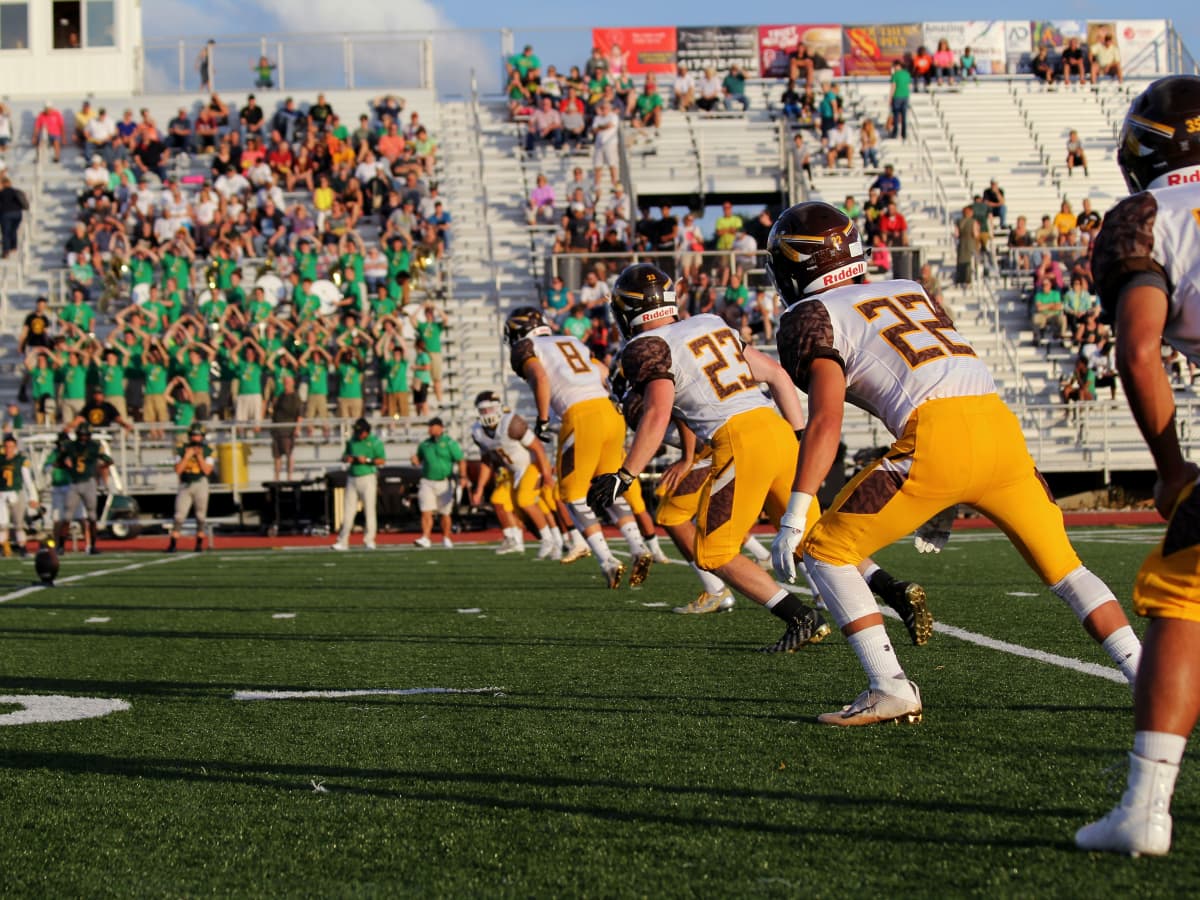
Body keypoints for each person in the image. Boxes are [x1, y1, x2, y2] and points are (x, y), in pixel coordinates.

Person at [766, 201, 1141, 727]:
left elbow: (826, 419)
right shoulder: (907, 288)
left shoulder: (812, 315)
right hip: (1000, 430)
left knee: (825, 551)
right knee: (1066, 570)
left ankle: (889, 686)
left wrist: (794, 512)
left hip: (935, 439)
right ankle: (1145, 674)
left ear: (794, 263)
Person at [1075, 75, 1200, 857]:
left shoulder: (1154, 216)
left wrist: (1170, 467)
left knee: (1182, 605)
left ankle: (1144, 810)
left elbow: (1138, 347)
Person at [505, 306, 651, 587]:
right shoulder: (570, 341)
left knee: (571, 495)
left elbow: (540, 377)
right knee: (607, 486)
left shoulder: (525, 347)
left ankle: (607, 560)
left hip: (581, 416)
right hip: (610, 413)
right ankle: (638, 547)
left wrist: (543, 418)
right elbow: (603, 372)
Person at [469, 390, 560, 559]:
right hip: (511, 470)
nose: (485, 414)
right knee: (498, 500)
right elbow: (486, 461)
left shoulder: (511, 422)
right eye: (482, 411)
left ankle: (549, 539)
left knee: (525, 500)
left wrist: (546, 474)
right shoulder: (478, 432)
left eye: (488, 409)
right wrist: (479, 489)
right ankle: (514, 540)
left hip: (530, 465)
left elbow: (538, 448)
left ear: (497, 408)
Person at [330, 418, 385, 552]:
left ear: (367, 432)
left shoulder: (375, 442)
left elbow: (381, 460)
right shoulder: (352, 441)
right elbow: (344, 456)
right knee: (348, 511)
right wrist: (347, 458)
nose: (358, 434)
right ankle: (343, 541)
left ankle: (369, 540)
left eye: (361, 432)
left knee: (369, 510)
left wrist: (366, 460)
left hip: (368, 477)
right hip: (352, 477)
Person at [412, 417, 467, 549]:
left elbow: (460, 460)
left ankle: (446, 537)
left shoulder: (449, 443)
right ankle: (426, 537)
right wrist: (414, 461)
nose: (430, 429)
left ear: (441, 428)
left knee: (445, 512)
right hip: (427, 481)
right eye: (430, 426)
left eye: (433, 426)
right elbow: (419, 460)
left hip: (444, 481)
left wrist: (463, 476)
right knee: (426, 510)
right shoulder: (424, 444)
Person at [58, 422, 112, 555]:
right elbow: (59, 461)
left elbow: (108, 460)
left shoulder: (94, 446)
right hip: (75, 482)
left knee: (92, 516)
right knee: (67, 516)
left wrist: (98, 469)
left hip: (88, 482)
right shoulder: (71, 446)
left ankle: (92, 546)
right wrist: (69, 468)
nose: (83, 437)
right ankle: (60, 546)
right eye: (81, 435)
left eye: (85, 435)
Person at [166, 423, 214, 553]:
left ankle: (199, 544)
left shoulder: (207, 450)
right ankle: (173, 544)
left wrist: (199, 456)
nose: (196, 438)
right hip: (185, 484)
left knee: (200, 516)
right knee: (179, 515)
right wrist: (187, 457)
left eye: (198, 435)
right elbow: (178, 469)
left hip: (200, 483)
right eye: (194, 435)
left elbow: (207, 471)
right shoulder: (182, 449)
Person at [0, 434, 37, 557]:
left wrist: (33, 497)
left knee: (19, 524)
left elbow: (27, 479)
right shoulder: (1, 459)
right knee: (2, 525)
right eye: (7, 446)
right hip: (2, 494)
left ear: (15, 447)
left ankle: (22, 548)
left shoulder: (20, 459)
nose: (9, 449)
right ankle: (3, 548)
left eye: (11, 446)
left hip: (16, 493)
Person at [270, 373, 303, 481]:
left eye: (288, 383)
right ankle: (277, 477)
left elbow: (300, 414)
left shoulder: (296, 397)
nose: (286, 385)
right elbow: (274, 411)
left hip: (288, 431)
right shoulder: (280, 396)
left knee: (289, 454)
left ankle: (289, 477)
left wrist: (297, 429)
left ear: (293, 383)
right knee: (277, 456)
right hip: (277, 431)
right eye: (285, 383)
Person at [888, 60, 911, 140]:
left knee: (896, 115)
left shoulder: (895, 75)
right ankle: (903, 134)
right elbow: (909, 86)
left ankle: (895, 133)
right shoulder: (907, 74)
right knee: (904, 116)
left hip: (897, 96)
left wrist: (890, 98)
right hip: (905, 96)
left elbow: (893, 86)